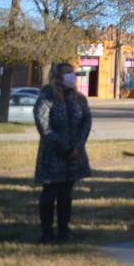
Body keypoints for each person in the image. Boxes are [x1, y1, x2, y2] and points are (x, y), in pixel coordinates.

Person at [33, 62, 92, 244]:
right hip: (53, 155)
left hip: (74, 155)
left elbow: (86, 123)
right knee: (50, 194)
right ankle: (47, 231)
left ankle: (64, 229)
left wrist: (77, 146)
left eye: (72, 73)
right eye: (67, 73)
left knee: (66, 195)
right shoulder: (47, 96)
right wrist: (63, 147)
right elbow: (44, 125)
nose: (71, 76)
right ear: (57, 77)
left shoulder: (79, 99)